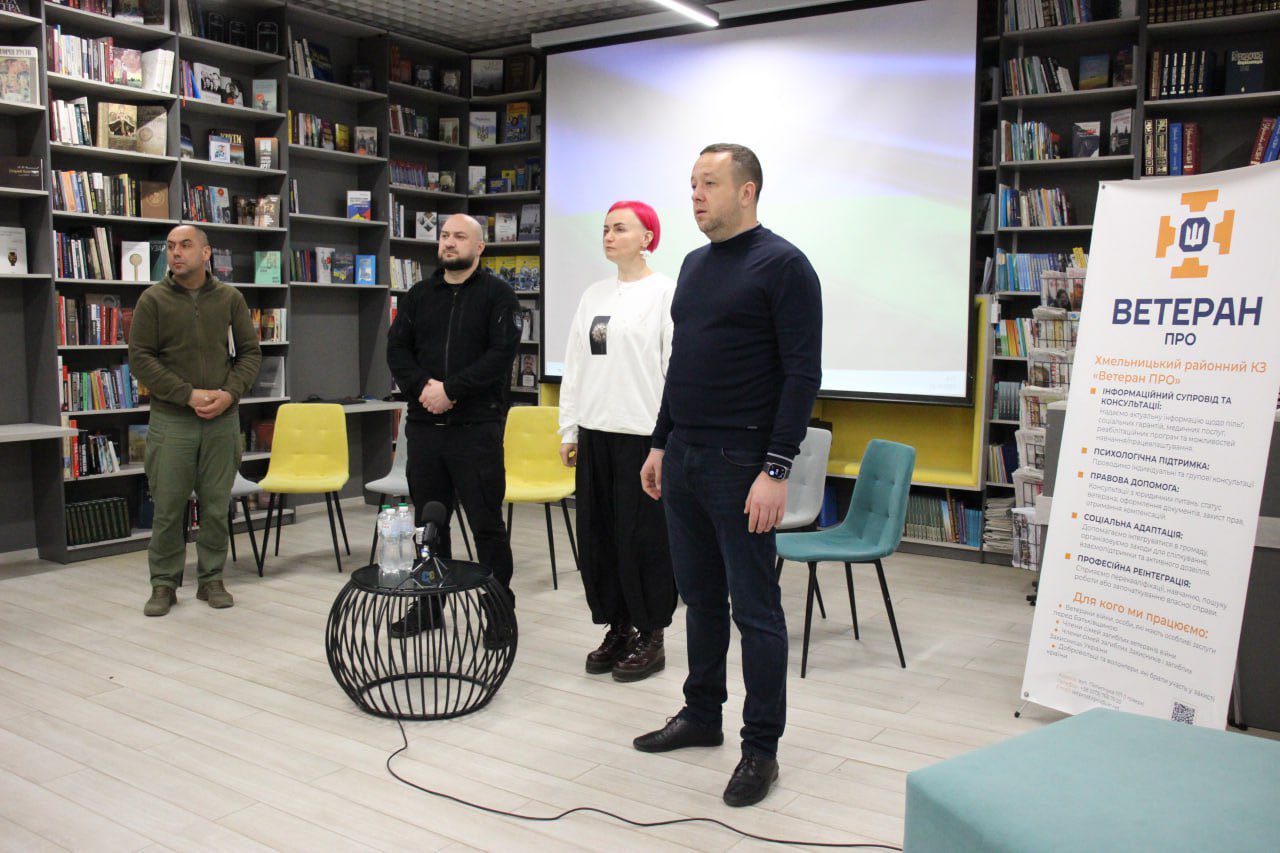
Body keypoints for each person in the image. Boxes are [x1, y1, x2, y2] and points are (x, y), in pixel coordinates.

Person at [634, 144, 822, 808]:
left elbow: (802, 373)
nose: (695, 194)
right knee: (701, 599)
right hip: (685, 456)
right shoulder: (692, 264)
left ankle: (760, 749)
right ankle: (701, 714)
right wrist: (660, 442)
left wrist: (777, 467)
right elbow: (681, 363)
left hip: (743, 463)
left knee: (757, 611)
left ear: (747, 191)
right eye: (692, 183)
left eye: (709, 183)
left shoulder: (784, 265)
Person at [386, 213, 521, 643]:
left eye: (459, 236)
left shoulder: (499, 296)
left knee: (486, 526)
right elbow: (396, 350)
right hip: (425, 427)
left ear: (479, 247)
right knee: (429, 524)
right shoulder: (419, 295)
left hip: (476, 428)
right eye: (444, 235)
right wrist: (425, 387)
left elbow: (500, 355)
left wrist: (452, 390)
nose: (448, 242)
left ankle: (497, 609)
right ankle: (429, 604)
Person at [559, 200, 678, 683]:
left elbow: (674, 369)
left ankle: (652, 633)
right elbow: (576, 364)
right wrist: (569, 428)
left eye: (620, 228)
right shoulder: (594, 295)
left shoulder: (666, 292)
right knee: (600, 537)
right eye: (605, 228)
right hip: (596, 433)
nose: (609, 236)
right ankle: (618, 626)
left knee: (644, 540)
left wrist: (667, 440)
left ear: (647, 237)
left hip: (643, 436)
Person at [129, 225, 262, 616]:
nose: (176, 253)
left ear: (206, 253)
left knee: (216, 506)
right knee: (169, 508)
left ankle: (211, 580)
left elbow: (250, 354)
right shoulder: (153, 300)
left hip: (222, 419)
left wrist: (229, 394)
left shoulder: (230, 298)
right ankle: (164, 584)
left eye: (186, 245)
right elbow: (141, 359)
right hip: (173, 419)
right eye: (171, 246)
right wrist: (186, 394)